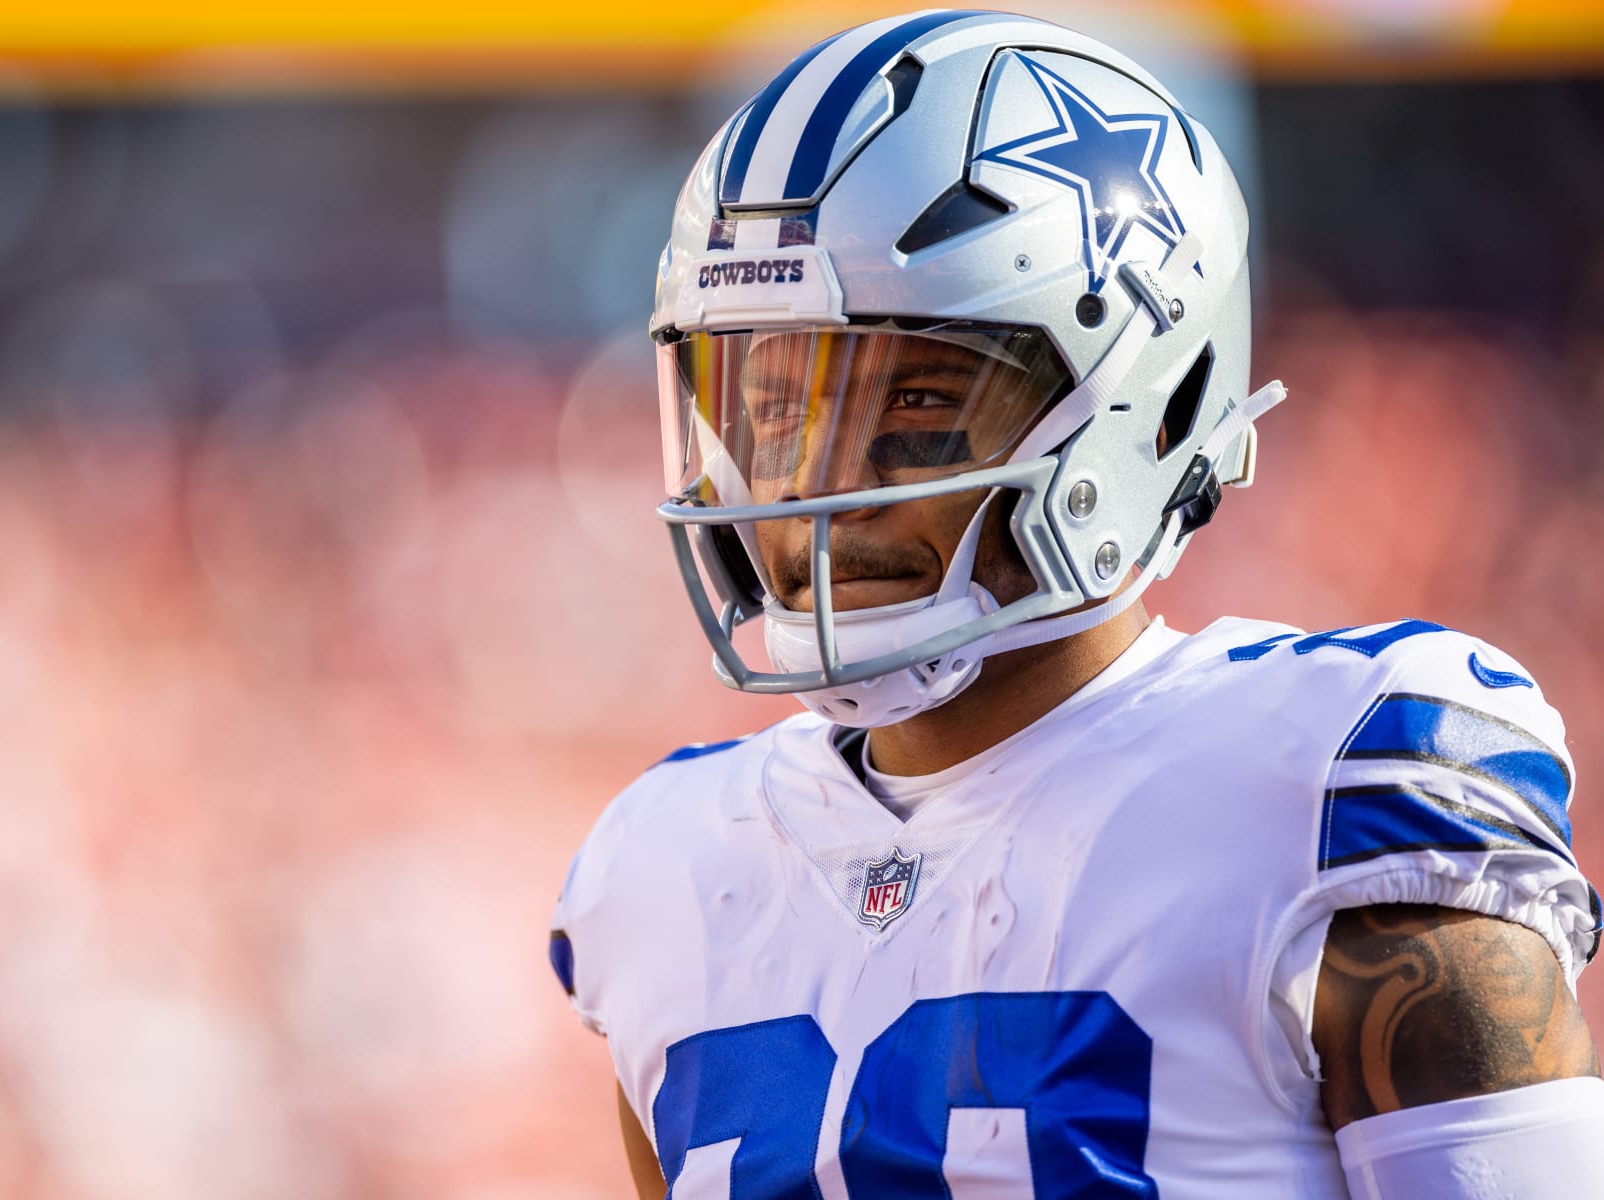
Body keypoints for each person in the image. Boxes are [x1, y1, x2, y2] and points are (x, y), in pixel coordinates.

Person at [549, 10, 1604, 1197]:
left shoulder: (1329, 787)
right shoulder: (665, 864)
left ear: (1148, 405)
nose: (811, 487)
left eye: (917, 404)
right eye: (780, 410)